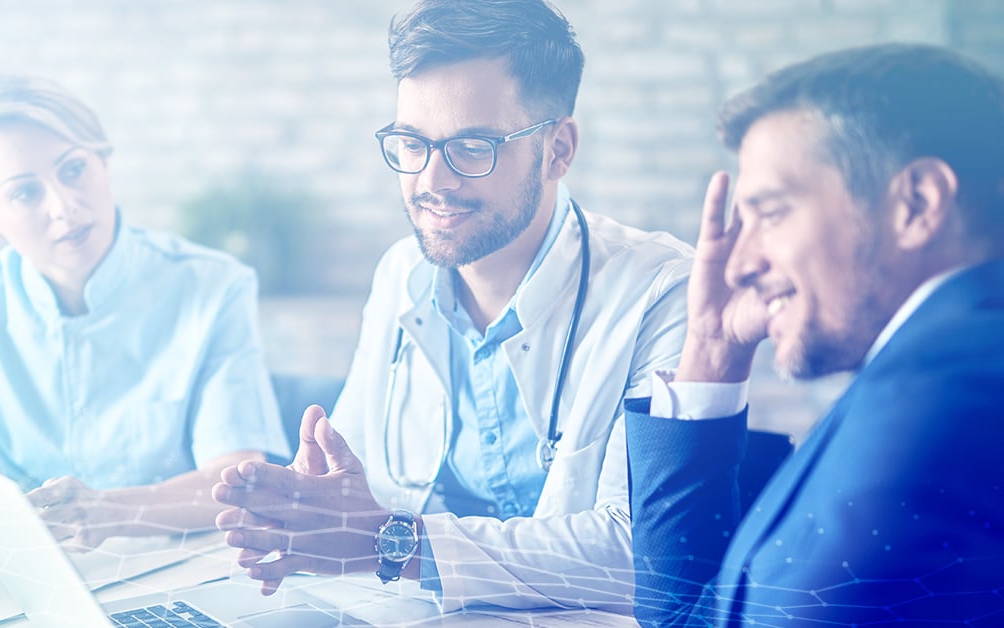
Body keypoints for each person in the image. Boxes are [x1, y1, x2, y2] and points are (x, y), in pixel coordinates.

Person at [213, 0, 693, 613]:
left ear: (558, 150)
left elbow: (643, 555)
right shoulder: (400, 273)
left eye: (472, 146)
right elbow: (358, 486)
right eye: (412, 143)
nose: (431, 179)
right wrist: (308, 511)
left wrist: (391, 543)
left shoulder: (663, 290)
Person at [625, 43, 1004, 625]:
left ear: (918, 203)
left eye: (771, 213)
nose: (737, 264)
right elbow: (692, 619)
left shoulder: (954, 389)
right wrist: (710, 350)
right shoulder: (918, 375)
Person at [0, 74, 289, 549]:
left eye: (73, 170)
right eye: (25, 193)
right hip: (33, 570)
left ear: (104, 161)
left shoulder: (213, 287)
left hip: (185, 562)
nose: (65, 207)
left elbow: (236, 483)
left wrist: (110, 512)